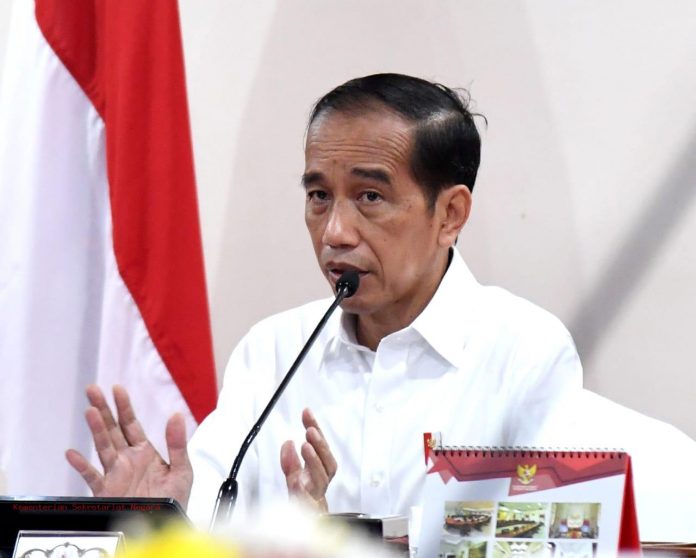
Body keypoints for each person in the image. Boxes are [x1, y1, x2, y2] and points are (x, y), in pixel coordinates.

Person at [66, 73, 582, 527]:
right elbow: (212, 524)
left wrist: (329, 545)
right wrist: (164, 519)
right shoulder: (272, 351)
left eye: (370, 197)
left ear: (450, 215)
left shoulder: (525, 352)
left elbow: (552, 544)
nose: (335, 232)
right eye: (319, 196)